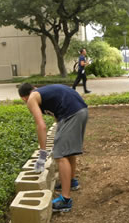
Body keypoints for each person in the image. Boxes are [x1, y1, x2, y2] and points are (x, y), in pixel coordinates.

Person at [18, 83, 88, 212]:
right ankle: (71, 181)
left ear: (23, 98)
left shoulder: (32, 98)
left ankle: (65, 200)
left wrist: (42, 153)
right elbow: (57, 116)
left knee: (59, 154)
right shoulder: (44, 94)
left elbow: (41, 126)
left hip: (72, 114)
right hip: (81, 111)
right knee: (68, 151)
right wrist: (60, 132)